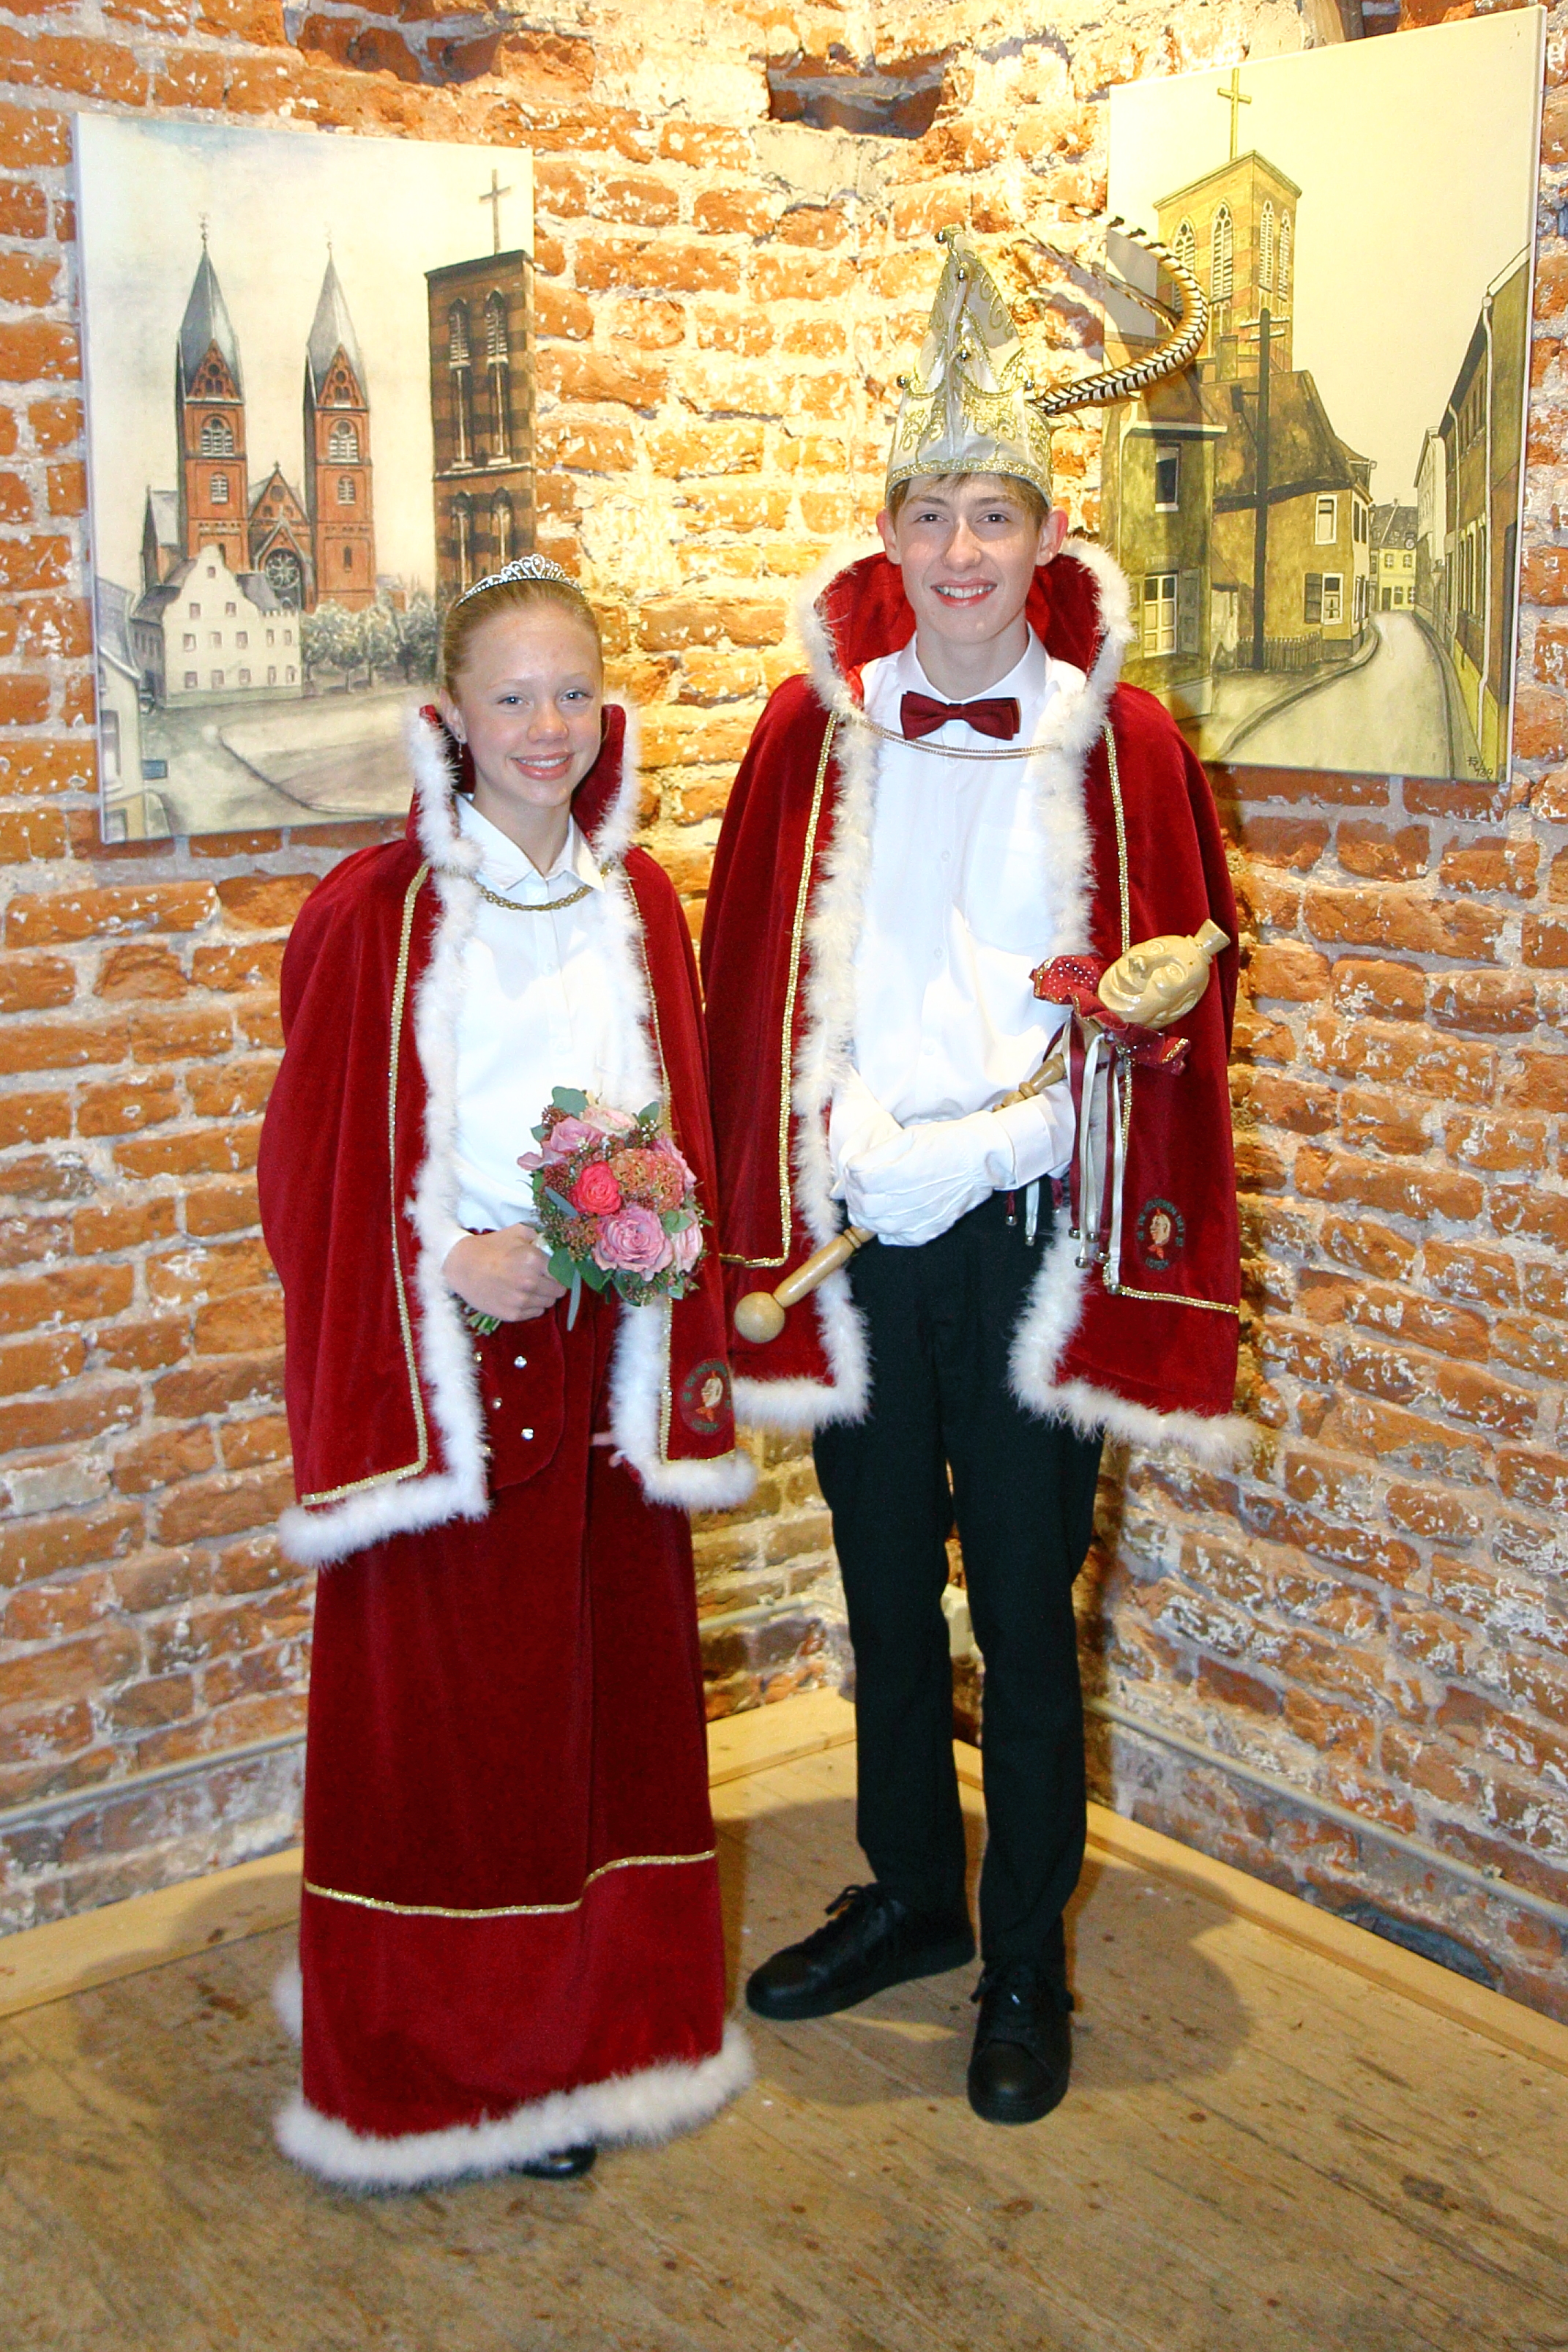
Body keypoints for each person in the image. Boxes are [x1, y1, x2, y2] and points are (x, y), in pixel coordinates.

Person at [701, 234, 1242, 2127]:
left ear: (1043, 533)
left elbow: (1169, 1014)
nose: (957, 552)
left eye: (990, 515)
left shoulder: (1122, 740)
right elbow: (751, 974)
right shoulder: (810, 731)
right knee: (874, 1582)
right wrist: (797, 1172)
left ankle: (1021, 1954)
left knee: (1019, 1603)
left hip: (1028, 1235)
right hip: (858, 1235)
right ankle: (913, 1892)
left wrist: (1095, 1061)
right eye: (927, 515)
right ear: (888, 533)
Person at [258, 555, 755, 2190]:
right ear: (452, 719)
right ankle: (446, 2059)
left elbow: (678, 1124)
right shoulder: (377, 913)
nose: (549, 726)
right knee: (456, 1738)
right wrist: (445, 1262)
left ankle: (600, 2031)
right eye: (513, 696)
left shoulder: (641, 901)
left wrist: (652, 1221)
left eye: (574, 693)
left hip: (609, 1369)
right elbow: (311, 1173)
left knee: (603, 1718)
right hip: (451, 1379)